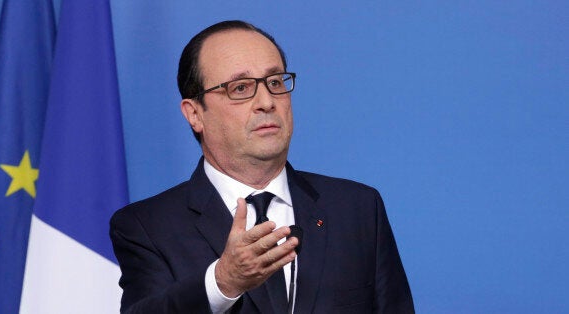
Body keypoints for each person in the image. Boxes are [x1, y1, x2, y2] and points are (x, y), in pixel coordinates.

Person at [110, 20, 414, 313]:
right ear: (194, 114)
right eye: (240, 88)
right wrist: (223, 283)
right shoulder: (146, 227)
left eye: (274, 81)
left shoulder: (357, 209)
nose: (267, 101)